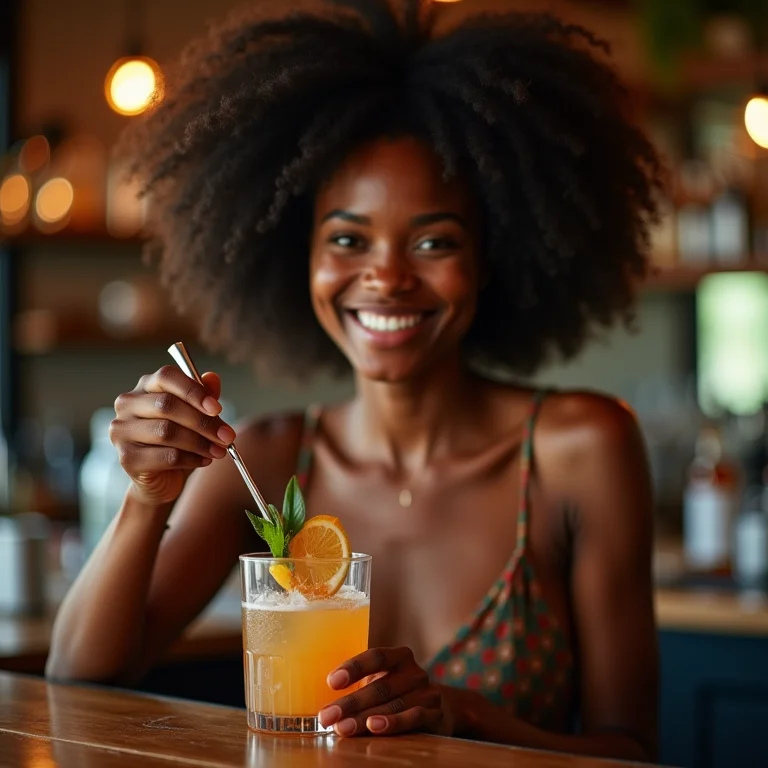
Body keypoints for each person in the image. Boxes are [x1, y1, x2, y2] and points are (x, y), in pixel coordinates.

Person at [47, 0, 662, 760]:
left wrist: (464, 716)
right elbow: (79, 674)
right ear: (295, 257)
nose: (387, 277)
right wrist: (146, 498)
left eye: (435, 240)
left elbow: (633, 750)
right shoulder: (268, 460)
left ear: (493, 259)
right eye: (348, 238)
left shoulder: (582, 448)